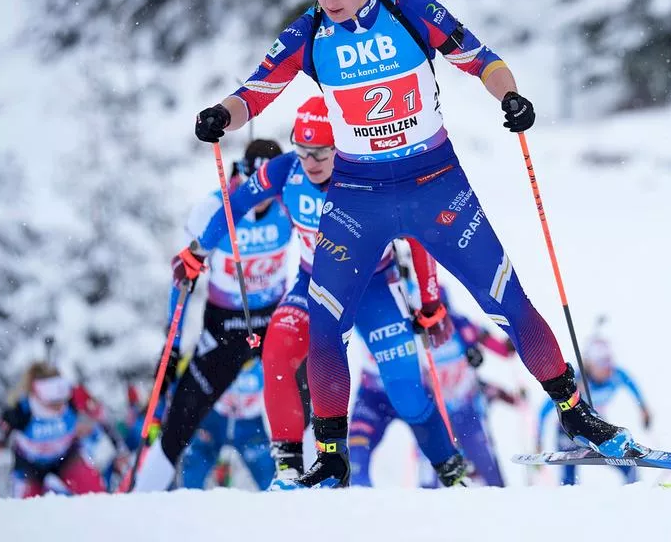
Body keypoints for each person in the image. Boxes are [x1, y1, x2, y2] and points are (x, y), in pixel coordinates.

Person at [193, 0, 638, 486]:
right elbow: (256, 92)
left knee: (507, 298)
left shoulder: (411, 10)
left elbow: (482, 58)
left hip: (436, 183)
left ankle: (577, 415)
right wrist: (220, 116)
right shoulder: (307, 35)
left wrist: (511, 98)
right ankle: (330, 453)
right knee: (325, 322)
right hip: (358, 194)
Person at [160, 97, 468, 490]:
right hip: (314, 285)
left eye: (321, 153)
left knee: (406, 393)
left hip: (374, 287)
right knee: (276, 352)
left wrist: (430, 303)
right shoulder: (285, 171)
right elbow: (234, 205)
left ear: (342, 144)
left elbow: (421, 238)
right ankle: (289, 468)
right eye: (304, 151)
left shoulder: (375, 174)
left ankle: (452, 472)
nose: (311, 163)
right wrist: (197, 252)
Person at [133, 139, 291, 491]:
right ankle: (136, 502)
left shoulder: (290, 197)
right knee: (178, 425)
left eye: (272, 186)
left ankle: (319, 503)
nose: (264, 195)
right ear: (245, 175)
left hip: (275, 321)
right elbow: (183, 276)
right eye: (256, 183)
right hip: (225, 327)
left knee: (313, 405)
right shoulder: (215, 207)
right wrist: (172, 346)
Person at [350, 288, 518, 488]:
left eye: (442, 310)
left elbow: (501, 348)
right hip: (436, 410)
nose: (438, 321)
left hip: (465, 410)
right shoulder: (415, 333)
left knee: (485, 464)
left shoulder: (461, 325)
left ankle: (500, 500)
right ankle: (429, 501)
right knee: (433, 469)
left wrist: (515, 335)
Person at [537, 339, 650, 485]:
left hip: (595, 427)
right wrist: (538, 440)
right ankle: (568, 497)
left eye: (609, 362)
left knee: (628, 466)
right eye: (602, 363)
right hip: (569, 431)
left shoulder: (616, 375)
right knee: (569, 477)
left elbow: (632, 385)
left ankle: (634, 491)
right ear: (590, 364)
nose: (608, 368)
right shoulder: (575, 382)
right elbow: (544, 411)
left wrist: (644, 410)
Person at [0, 363, 110, 497]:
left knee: (94, 492)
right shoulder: (20, 411)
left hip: (66, 457)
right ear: (36, 393)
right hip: (29, 465)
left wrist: (120, 451)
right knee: (26, 506)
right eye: (52, 401)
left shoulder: (73, 399)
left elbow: (102, 419)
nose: (59, 405)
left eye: (62, 399)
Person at [179, 358, 275, 489]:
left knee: (266, 468)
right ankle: (188, 499)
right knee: (197, 459)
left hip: (251, 423)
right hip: (216, 418)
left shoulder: (264, 359)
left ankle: (274, 502)